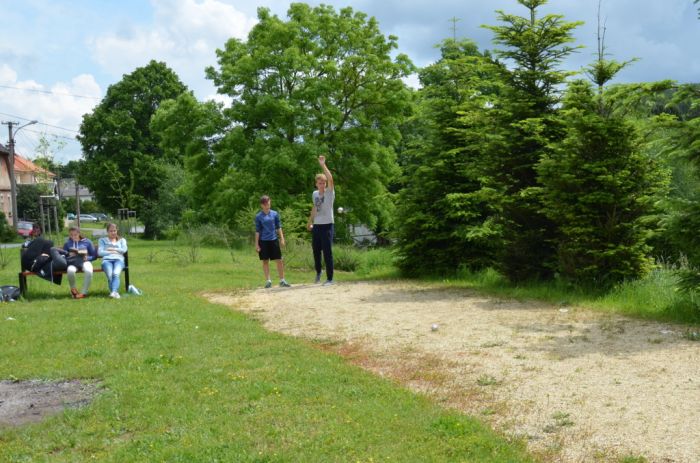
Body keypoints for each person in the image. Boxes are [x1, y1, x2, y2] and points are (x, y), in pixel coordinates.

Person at [307, 155, 335, 285]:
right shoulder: (314, 194)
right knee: (316, 251)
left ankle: (330, 279)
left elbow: (330, 178)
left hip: (327, 226)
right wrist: (310, 221)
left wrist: (323, 165)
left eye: (323, 183)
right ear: (316, 184)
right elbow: (315, 208)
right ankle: (319, 272)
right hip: (317, 226)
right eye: (320, 183)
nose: (322, 185)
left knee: (327, 253)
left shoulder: (330, 192)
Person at [255, 195, 291, 288]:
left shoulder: (275, 214)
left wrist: (282, 239)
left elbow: (278, 227)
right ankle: (268, 281)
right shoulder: (258, 216)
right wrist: (257, 244)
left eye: (268, 202)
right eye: (265, 203)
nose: (267, 205)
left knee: (279, 260)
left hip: (274, 239)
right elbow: (257, 231)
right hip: (263, 241)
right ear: (262, 205)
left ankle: (282, 280)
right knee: (265, 261)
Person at [62, 226, 96, 299]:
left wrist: (88, 258)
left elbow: (94, 255)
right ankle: (74, 291)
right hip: (73, 263)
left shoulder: (87, 242)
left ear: (79, 233)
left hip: (85, 262)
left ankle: (83, 293)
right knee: (70, 270)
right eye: (71, 235)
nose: (73, 236)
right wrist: (68, 254)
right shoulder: (67, 244)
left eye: (75, 234)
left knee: (89, 271)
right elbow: (63, 256)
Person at [98, 223, 128, 299]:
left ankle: (113, 292)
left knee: (115, 274)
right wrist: (111, 252)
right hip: (107, 261)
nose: (113, 232)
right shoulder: (102, 240)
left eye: (114, 230)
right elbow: (100, 252)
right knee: (110, 275)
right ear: (107, 232)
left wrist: (113, 249)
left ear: (117, 231)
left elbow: (124, 250)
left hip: (119, 260)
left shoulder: (122, 240)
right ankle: (115, 293)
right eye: (111, 231)